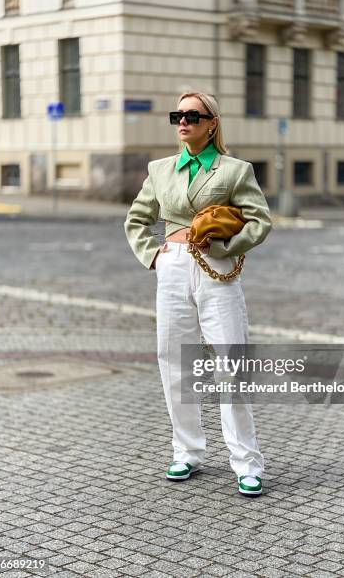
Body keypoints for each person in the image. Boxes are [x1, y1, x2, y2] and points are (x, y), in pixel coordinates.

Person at [124, 91, 272, 496]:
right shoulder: (161, 169)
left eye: (192, 115)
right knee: (173, 359)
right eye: (178, 115)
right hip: (171, 267)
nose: (183, 121)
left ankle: (246, 462)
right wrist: (154, 256)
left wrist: (225, 248)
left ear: (212, 123)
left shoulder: (235, 170)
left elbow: (260, 221)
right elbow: (137, 218)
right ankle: (186, 452)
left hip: (218, 270)